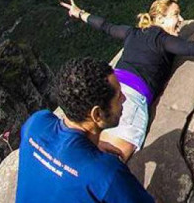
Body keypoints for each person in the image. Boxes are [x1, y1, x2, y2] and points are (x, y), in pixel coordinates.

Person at [60, 0, 194, 162]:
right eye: (176, 14)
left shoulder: (133, 33)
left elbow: (106, 26)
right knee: (112, 158)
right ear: (160, 19)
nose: (181, 20)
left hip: (104, 89)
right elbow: (189, 48)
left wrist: (79, 13)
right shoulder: (161, 39)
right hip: (127, 99)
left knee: (86, 146)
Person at [16, 57, 154, 202]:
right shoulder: (107, 174)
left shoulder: (35, 123)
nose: (124, 99)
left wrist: (94, 146)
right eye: (118, 96)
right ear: (97, 114)